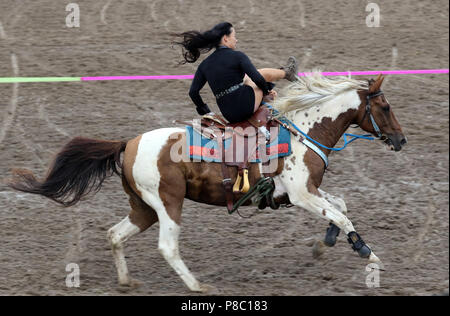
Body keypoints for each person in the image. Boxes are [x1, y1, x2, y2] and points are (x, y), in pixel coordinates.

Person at [173, 22, 298, 123]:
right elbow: (258, 78)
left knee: (246, 80)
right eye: (234, 37)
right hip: (244, 105)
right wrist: (266, 92)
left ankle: (283, 76)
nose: (236, 40)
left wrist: (207, 112)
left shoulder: (204, 65)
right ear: (225, 39)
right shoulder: (237, 56)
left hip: (228, 113)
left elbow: (193, 92)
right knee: (258, 75)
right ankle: (287, 73)